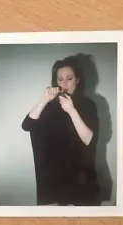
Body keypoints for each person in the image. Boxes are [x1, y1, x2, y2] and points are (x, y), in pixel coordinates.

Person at [21, 55, 100, 206]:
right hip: (54, 184)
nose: (64, 84)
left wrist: (71, 111)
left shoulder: (88, 105)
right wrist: (44, 100)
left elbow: (89, 139)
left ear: (78, 79)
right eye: (60, 79)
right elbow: (27, 126)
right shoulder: (49, 106)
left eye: (69, 78)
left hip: (81, 182)